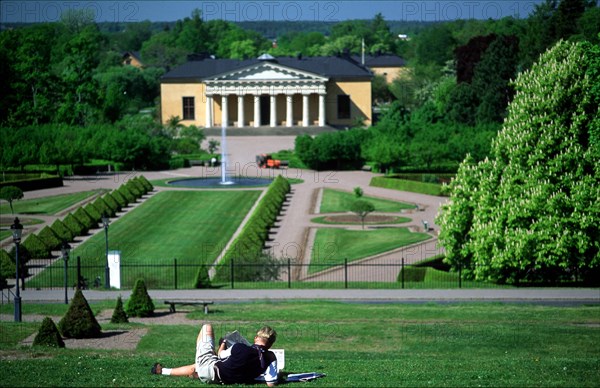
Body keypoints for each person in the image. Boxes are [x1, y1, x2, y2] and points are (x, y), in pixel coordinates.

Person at [151, 323, 278, 386]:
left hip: (212, 370)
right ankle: (162, 371)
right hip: (225, 379)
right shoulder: (270, 357)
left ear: (256, 337)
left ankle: (197, 368)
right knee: (198, 366)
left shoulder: (240, 348)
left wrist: (223, 342)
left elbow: (220, 355)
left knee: (207, 327)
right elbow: (271, 383)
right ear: (270, 344)